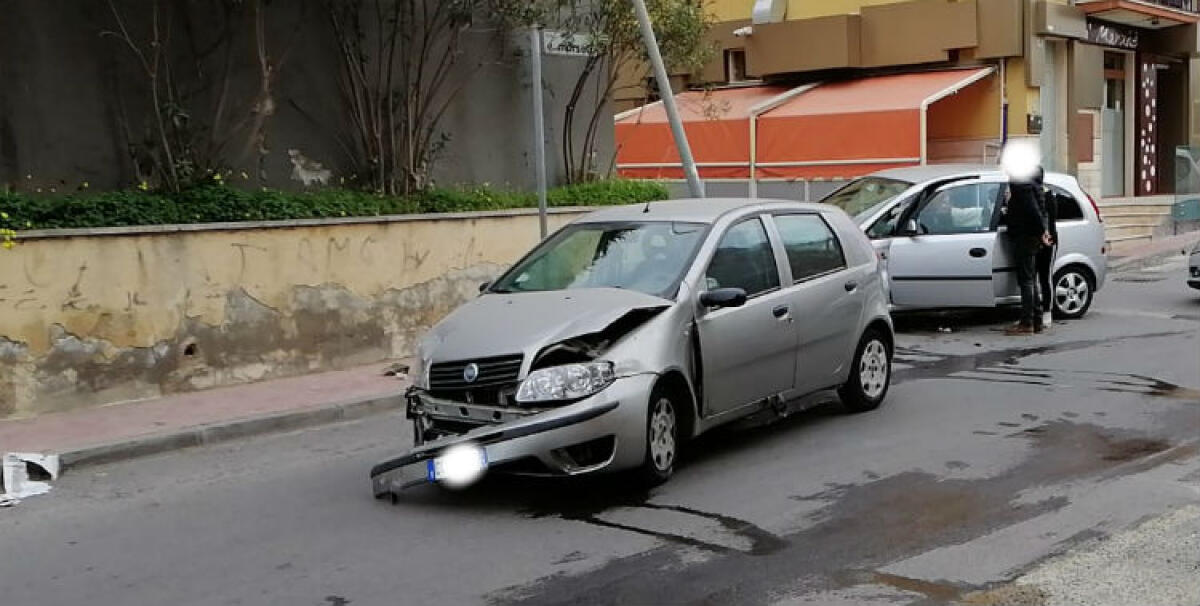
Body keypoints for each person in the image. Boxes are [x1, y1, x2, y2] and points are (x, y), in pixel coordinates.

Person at [1004, 168, 1051, 335]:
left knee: (1026, 280)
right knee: (1031, 278)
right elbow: (1041, 209)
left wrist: (1042, 231)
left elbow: (1031, 209)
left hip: (1024, 235)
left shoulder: (1021, 182)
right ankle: (1036, 320)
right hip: (1032, 235)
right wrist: (1042, 230)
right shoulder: (1035, 183)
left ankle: (1027, 323)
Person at [1033, 168, 1058, 329]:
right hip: (1037, 239)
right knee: (1035, 277)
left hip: (1047, 240)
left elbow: (1049, 218)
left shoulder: (1047, 195)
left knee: (1044, 276)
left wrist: (1046, 236)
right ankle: (1036, 312)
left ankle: (1047, 311)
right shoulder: (1035, 194)